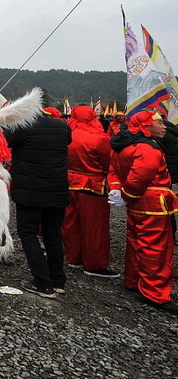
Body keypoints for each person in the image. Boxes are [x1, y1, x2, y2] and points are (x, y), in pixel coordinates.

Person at [109, 110, 178, 313]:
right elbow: (139, 178)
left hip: (136, 204)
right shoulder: (148, 149)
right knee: (156, 249)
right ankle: (154, 293)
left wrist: (118, 191)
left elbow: (113, 170)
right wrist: (127, 195)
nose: (164, 126)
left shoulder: (122, 144)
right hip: (152, 205)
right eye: (159, 123)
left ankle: (134, 280)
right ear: (146, 126)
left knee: (136, 243)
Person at [5, 107, 71, 298]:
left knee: (28, 234)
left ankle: (42, 282)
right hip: (57, 189)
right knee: (53, 235)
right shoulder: (63, 127)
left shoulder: (22, 127)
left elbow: (3, 141)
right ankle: (58, 280)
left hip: (30, 192)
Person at [62, 106, 118, 277]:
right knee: (94, 226)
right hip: (93, 185)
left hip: (69, 183)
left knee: (71, 223)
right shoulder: (100, 138)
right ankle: (94, 265)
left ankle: (74, 258)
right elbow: (108, 163)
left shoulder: (67, 135)